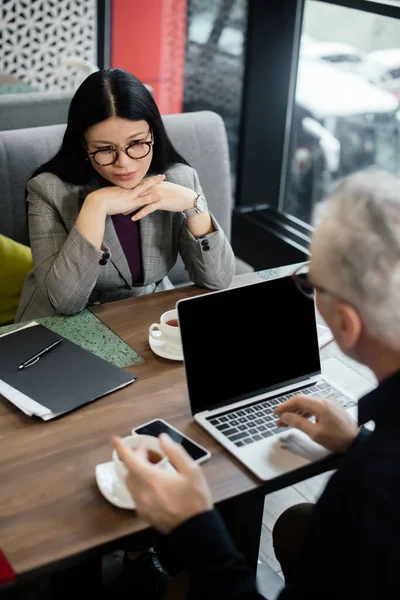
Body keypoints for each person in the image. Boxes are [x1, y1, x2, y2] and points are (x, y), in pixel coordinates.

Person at [113, 168, 400, 599]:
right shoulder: (376, 463)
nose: (306, 291)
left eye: (309, 284)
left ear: (346, 322)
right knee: (295, 524)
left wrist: (195, 525)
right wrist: (356, 445)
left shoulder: (367, 491)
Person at [15, 68, 235, 323]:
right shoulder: (47, 190)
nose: (125, 163)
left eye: (136, 143)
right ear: (84, 146)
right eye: (106, 149)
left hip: (146, 316)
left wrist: (194, 205)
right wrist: (95, 207)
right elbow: (64, 302)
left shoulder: (180, 180)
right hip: (59, 326)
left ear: (153, 134)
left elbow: (217, 280)